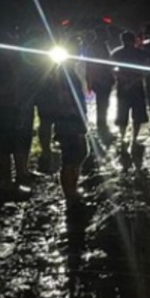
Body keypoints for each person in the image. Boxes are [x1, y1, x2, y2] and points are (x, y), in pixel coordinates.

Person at [0, 28, 34, 199]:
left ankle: (7, 183)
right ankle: (4, 185)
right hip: (1, 110)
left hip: (1, 109)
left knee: (6, 145)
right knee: (3, 146)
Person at [37, 55, 90, 208]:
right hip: (69, 121)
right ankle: (70, 192)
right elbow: (67, 98)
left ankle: (72, 189)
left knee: (78, 154)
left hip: (71, 121)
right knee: (72, 157)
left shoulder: (65, 75)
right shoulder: (65, 77)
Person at [111, 30, 149, 158]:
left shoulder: (117, 53)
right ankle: (134, 139)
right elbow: (146, 71)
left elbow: (112, 69)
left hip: (124, 87)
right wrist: (134, 80)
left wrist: (123, 79)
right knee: (136, 114)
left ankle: (123, 138)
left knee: (123, 113)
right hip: (136, 87)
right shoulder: (141, 53)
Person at [83, 29, 115, 140]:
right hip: (104, 79)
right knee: (103, 104)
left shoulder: (89, 49)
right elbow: (108, 63)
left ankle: (101, 124)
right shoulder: (102, 47)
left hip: (98, 80)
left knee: (101, 103)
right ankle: (102, 125)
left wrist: (89, 82)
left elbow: (88, 67)